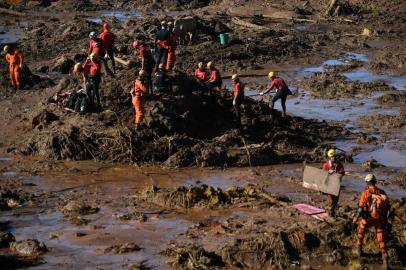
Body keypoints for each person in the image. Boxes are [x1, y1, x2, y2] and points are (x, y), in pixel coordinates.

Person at [352, 174, 390, 269]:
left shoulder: (365, 193)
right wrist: (385, 220)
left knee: (361, 229)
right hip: (378, 219)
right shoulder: (381, 192)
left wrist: (356, 217)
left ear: (367, 182)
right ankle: (385, 259)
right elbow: (387, 208)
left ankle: (359, 249)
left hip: (368, 218)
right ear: (375, 182)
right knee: (381, 238)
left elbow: (360, 208)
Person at [322, 149, 345, 217]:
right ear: (329, 157)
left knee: (336, 200)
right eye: (332, 157)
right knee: (330, 200)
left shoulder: (339, 165)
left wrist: (336, 173)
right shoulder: (326, 165)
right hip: (329, 186)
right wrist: (328, 173)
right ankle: (329, 214)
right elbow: (323, 176)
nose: (333, 158)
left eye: (334, 156)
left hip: (337, 185)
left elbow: (342, 172)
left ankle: (333, 213)